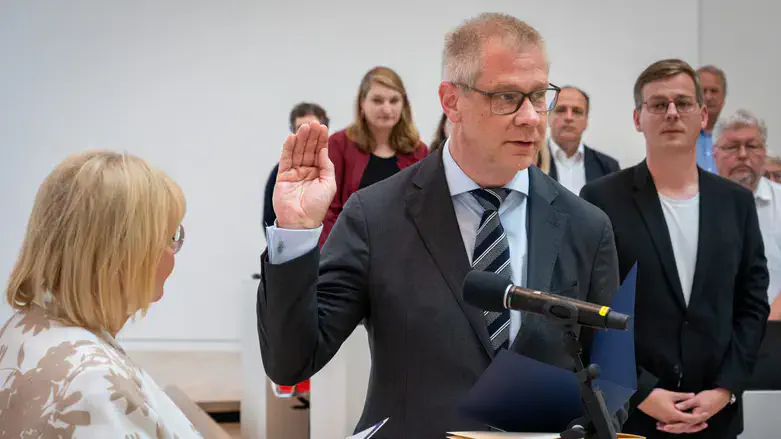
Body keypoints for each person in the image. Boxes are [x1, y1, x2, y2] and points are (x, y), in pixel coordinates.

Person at [258, 13, 622, 437]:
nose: (531, 118)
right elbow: (291, 361)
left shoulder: (586, 225)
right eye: (507, 97)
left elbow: (612, 378)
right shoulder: (376, 215)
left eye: (539, 96)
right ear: (451, 101)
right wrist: (296, 233)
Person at [581, 59, 769, 438]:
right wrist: (641, 390)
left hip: (717, 414)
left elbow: (752, 303)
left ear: (702, 115)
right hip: (631, 413)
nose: (671, 113)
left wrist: (725, 388)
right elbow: (589, 307)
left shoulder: (736, 202)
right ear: (638, 118)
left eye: (683, 103)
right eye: (658, 104)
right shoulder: (601, 198)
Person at [0, 150, 197, 438]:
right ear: (124, 253)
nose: (173, 252)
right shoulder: (92, 386)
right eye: (170, 238)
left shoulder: (24, 328)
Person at [319, 66, 428, 246]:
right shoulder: (339, 144)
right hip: (349, 250)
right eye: (377, 100)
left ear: (404, 104)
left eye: (394, 100)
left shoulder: (418, 150)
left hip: (402, 252)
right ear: (362, 103)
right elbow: (329, 210)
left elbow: (422, 209)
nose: (387, 109)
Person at [712, 109, 781, 318]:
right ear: (715, 153)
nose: (743, 155)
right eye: (732, 147)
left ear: (764, 152)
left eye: (751, 146)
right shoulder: (696, 201)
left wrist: (770, 322)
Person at [263, 102, 330, 233]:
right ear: (293, 131)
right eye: (301, 128)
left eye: (313, 127)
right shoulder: (281, 173)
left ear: (325, 129)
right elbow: (269, 222)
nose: (307, 134)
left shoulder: (343, 165)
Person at [546, 86, 619, 194]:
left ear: (586, 121)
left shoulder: (608, 167)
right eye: (561, 110)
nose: (569, 117)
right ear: (549, 117)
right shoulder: (531, 161)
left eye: (577, 111)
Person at [694, 65, 727, 173]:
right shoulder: (681, 136)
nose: (708, 97)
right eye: (703, 91)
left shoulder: (732, 138)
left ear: (723, 98)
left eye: (714, 91)